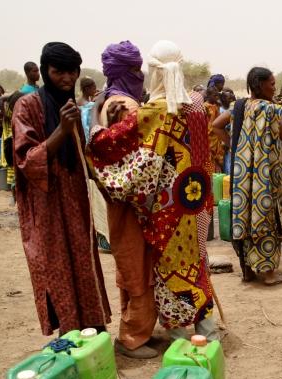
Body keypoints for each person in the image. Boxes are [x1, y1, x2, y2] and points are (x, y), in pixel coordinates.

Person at [89, 39, 218, 344]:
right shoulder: (196, 107)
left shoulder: (155, 111)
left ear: (154, 72)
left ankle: (178, 337)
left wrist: (95, 119)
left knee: (171, 269)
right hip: (197, 201)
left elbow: (110, 144)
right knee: (197, 263)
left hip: (168, 209)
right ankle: (207, 333)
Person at [12, 42, 112, 342]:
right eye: (58, 72)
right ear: (45, 72)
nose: (66, 79)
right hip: (46, 203)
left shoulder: (70, 106)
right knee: (56, 265)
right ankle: (70, 335)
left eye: (72, 72)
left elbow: (82, 156)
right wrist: (61, 130)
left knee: (84, 262)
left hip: (74, 198)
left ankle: (94, 331)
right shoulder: (27, 106)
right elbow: (26, 159)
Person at [91, 40, 157, 359]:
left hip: (121, 198)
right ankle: (133, 337)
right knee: (137, 264)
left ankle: (136, 327)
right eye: (135, 68)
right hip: (132, 199)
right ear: (123, 71)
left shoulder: (110, 101)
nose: (140, 74)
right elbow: (135, 158)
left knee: (131, 262)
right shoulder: (124, 107)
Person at [212, 67, 282, 284]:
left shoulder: (238, 107)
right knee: (267, 214)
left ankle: (247, 270)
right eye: (272, 84)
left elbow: (217, 126)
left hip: (243, 172)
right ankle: (268, 273)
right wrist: (279, 111)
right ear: (259, 85)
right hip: (267, 174)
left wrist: (235, 148)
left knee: (245, 213)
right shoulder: (272, 109)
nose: (274, 87)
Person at [204, 86, 225, 170]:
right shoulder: (205, 107)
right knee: (210, 159)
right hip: (209, 137)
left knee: (217, 161)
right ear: (208, 95)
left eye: (217, 96)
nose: (216, 98)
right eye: (214, 96)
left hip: (216, 137)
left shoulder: (216, 106)